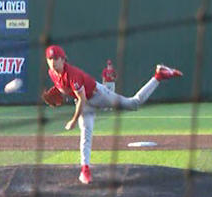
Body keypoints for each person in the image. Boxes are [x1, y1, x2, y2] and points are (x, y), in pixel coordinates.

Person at [44, 45, 182, 184]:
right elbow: (66, 89)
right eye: (50, 59)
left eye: (56, 58)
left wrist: (73, 120)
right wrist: (59, 92)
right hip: (85, 102)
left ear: (63, 59)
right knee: (86, 132)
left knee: (133, 104)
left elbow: (82, 99)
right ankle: (85, 169)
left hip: (98, 95)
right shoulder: (52, 73)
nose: (53, 62)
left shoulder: (72, 74)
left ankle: (158, 76)